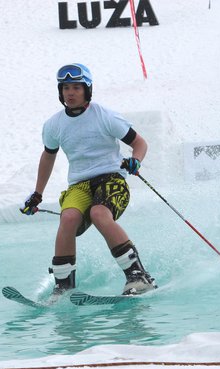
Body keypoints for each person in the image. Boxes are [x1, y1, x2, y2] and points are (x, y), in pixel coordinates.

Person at [21, 63, 157, 297]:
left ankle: (138, 277)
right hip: (79, 185)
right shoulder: (54, 125)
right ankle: (63, 286)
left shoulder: (105, 115)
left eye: (76, 87)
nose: (70, 93)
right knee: (69, 217)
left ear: (87, 90)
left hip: (112, 179)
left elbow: (139, 143)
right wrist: (37, 194)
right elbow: (48, 157)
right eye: (65, 88)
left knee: (98, 213)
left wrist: (136, 160)